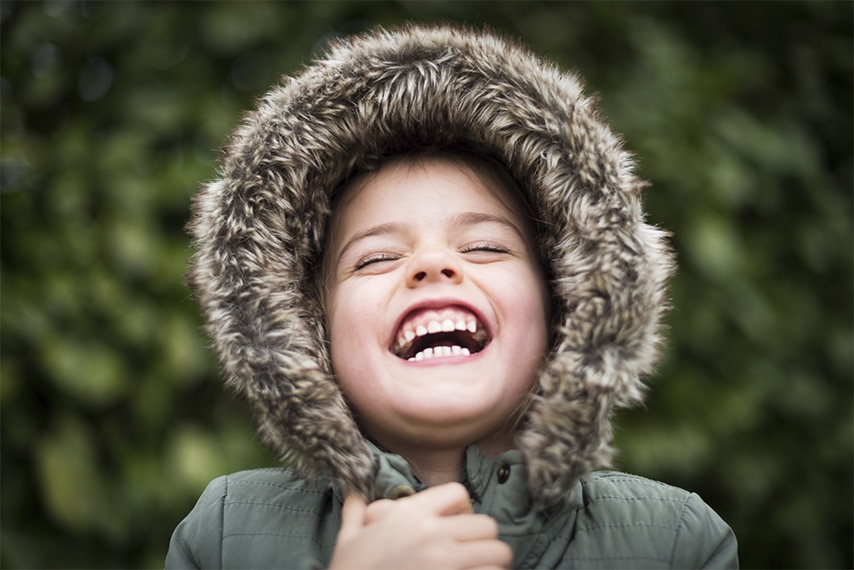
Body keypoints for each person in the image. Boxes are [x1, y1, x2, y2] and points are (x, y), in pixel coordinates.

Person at [165, 24, 738, 569]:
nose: (432, 264)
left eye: (485, 247)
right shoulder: (221, 534)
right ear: (308, 330)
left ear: (564, 309)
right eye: (377, 257)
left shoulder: (675, 541)